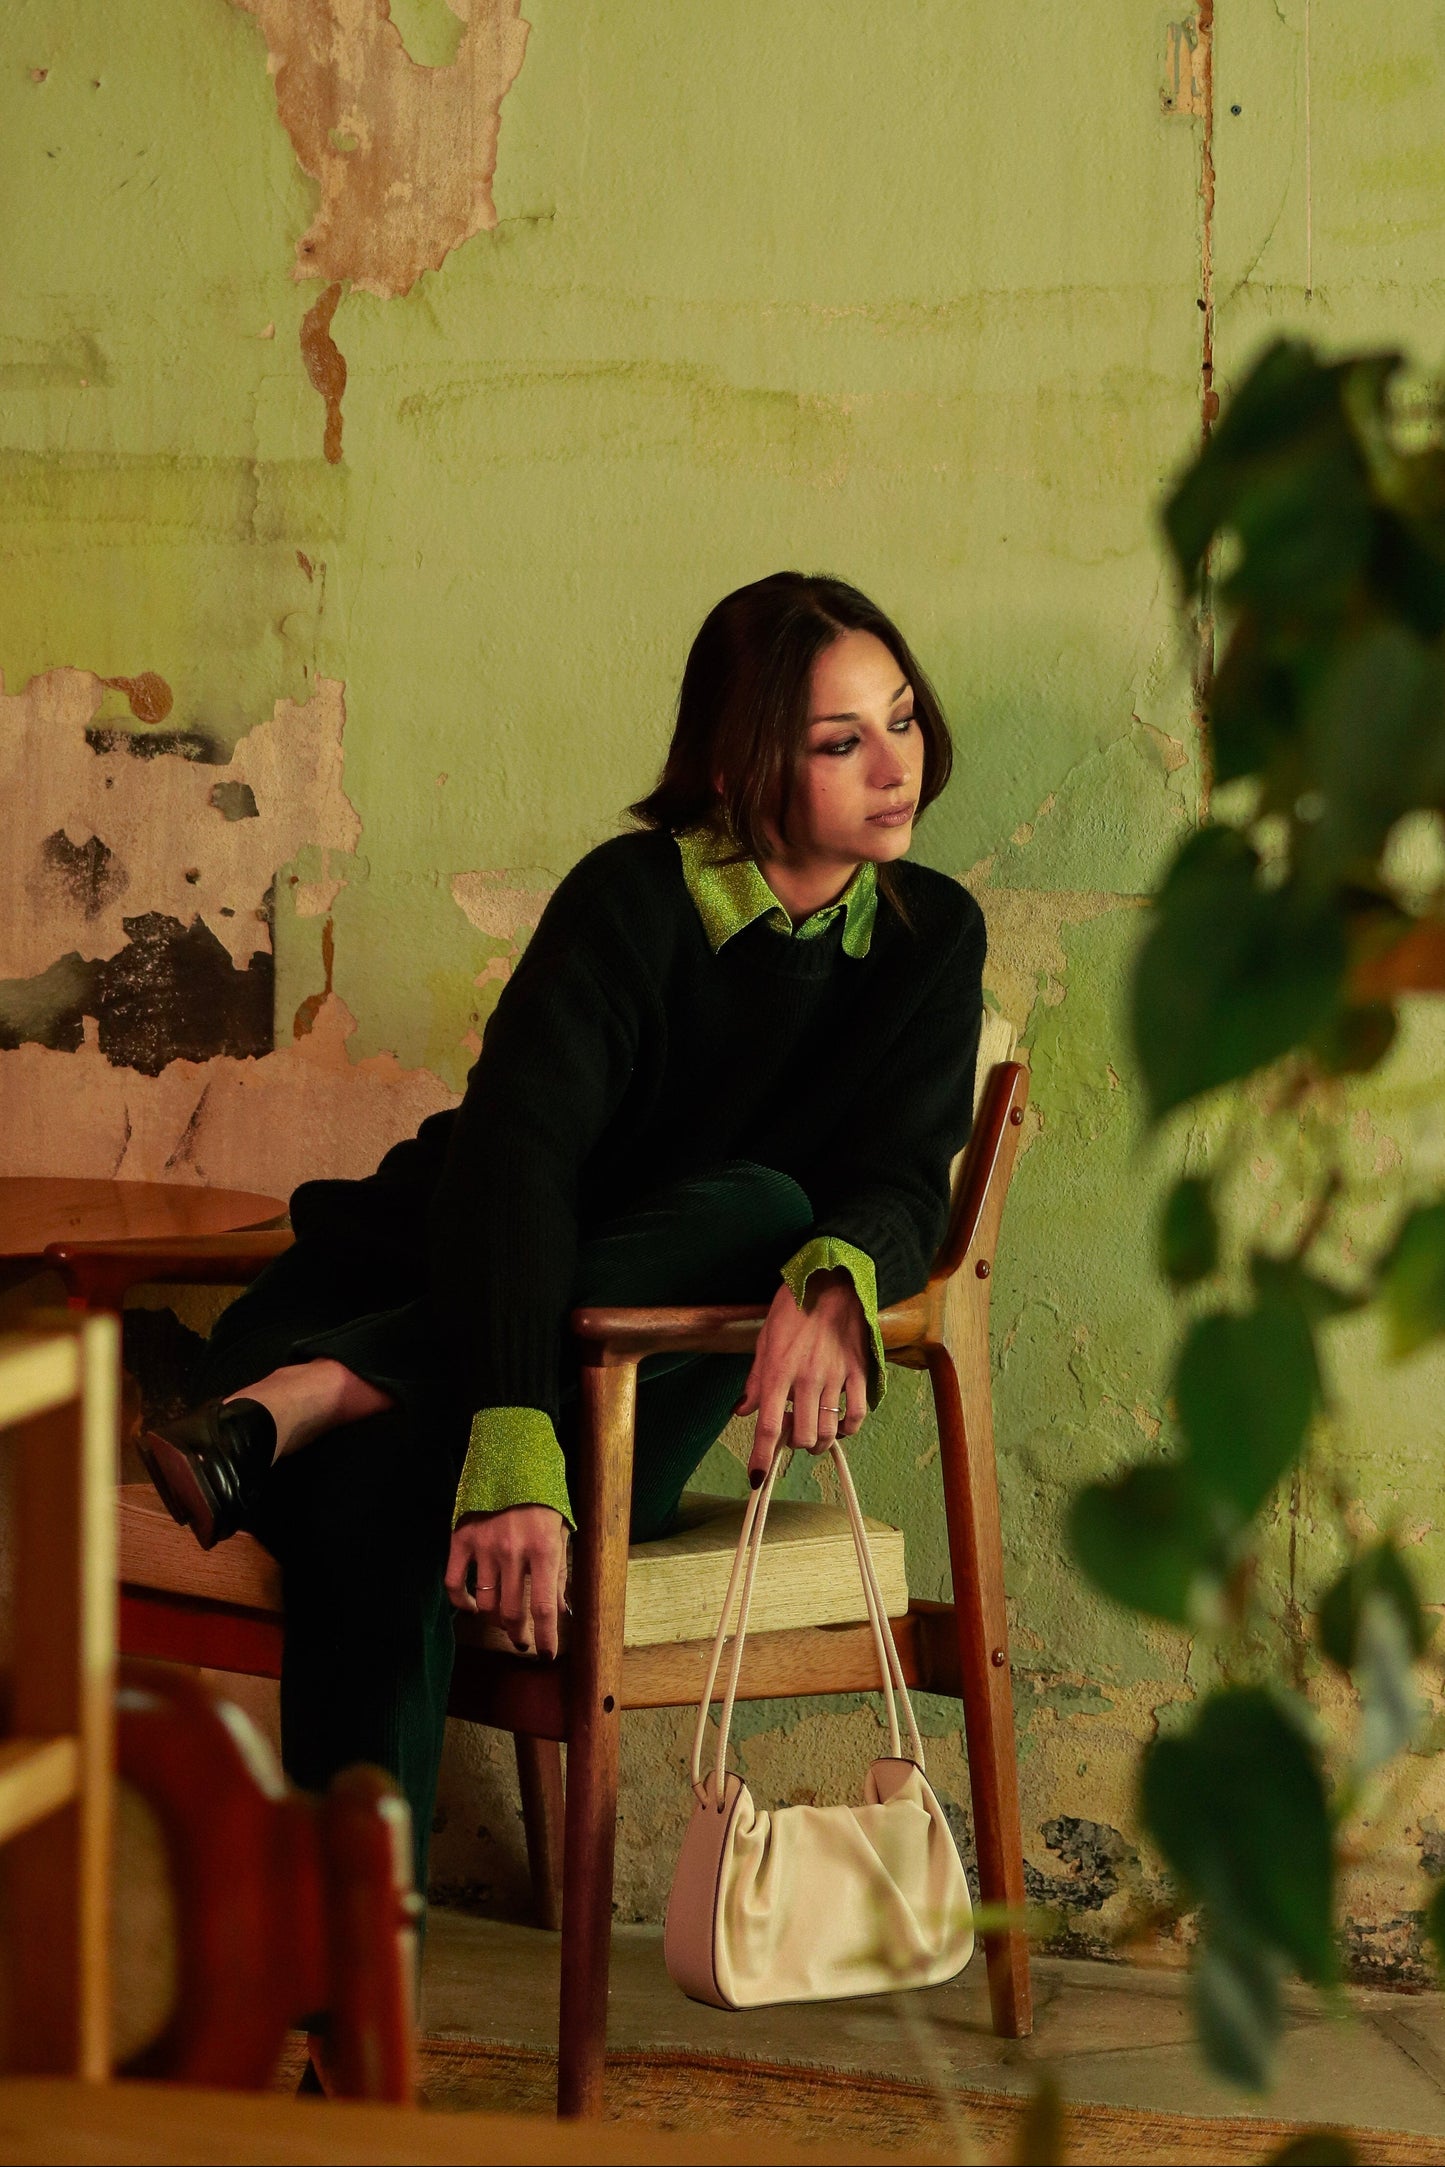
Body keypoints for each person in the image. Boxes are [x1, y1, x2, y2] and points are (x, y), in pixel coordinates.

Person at [139, 571, 987, 1893]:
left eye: (901, 720)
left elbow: (898, 1178)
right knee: (387, 1503)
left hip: (635, 1391)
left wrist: (837, 1276)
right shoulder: (633, 899)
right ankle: (363, 2019)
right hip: (453, 1293)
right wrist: (511, 1439)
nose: (896, 765)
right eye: (840, 741)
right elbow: (511, 1171)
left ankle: (330, 1388)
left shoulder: (931, 940)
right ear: (742, 756)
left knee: (766, 1210)